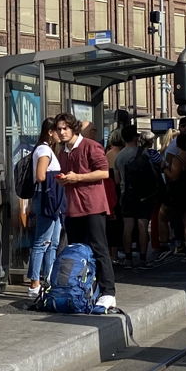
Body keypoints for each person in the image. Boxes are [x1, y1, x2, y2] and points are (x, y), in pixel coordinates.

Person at [55, 111, 118, 312]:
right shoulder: (62, 151)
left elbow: (104, 172)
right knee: (77, 250)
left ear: (73, 128)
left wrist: (78, 178)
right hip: (73, 208)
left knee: (99, 248)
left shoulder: (91, 146)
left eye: (65, 128)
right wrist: (65, 179)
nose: (62, 132)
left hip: (93, 206)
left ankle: (108, 292)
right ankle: (82, 288)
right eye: (59, 129)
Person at [21, 117, 64, 299]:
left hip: (49, 198)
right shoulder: (45, 150)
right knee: (42, 242)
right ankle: (34, 283)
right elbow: (40, 175)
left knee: (53, 242)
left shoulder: (46, 149)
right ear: (50, 132)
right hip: (47, 198)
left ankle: (48, 278)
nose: (61, 134)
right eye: (58, 130)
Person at [114, 131, 158, 269]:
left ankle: (128, 259)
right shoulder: (144, 153)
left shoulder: (119, 156)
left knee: (128, 227)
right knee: (142, 226)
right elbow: (154, 173)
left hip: (127, 195)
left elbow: (117, 180)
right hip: (144, 196)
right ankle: (143, 258)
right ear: (135, 138)